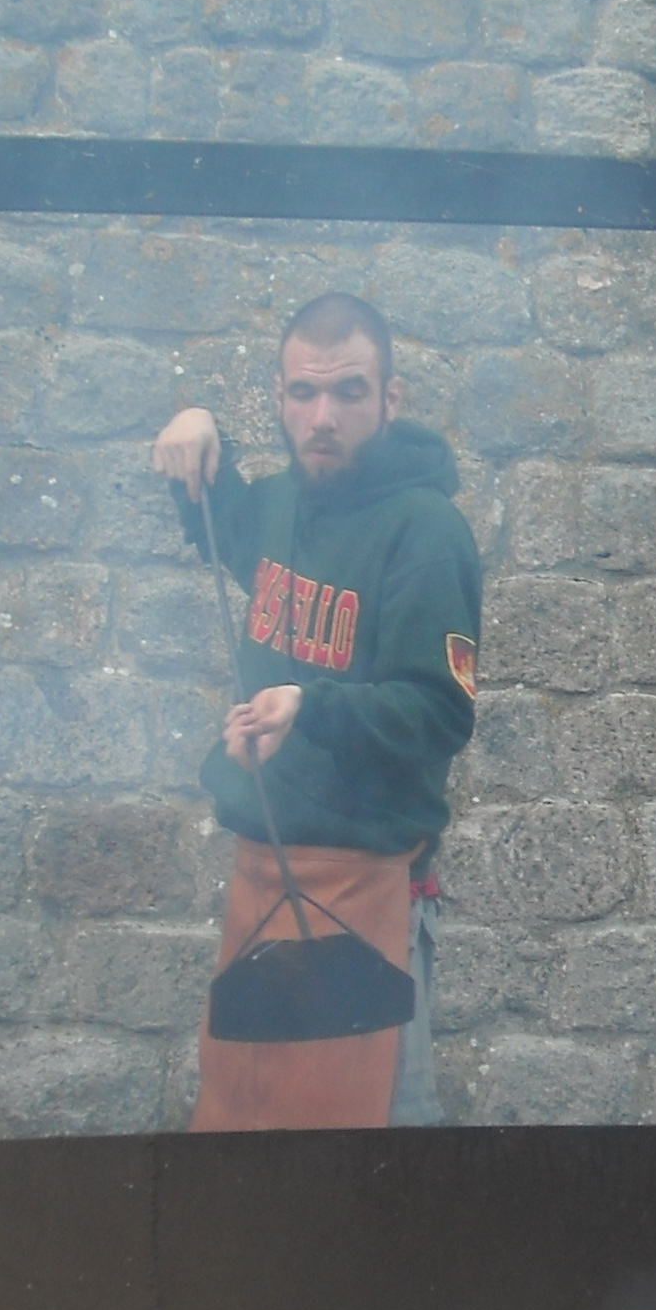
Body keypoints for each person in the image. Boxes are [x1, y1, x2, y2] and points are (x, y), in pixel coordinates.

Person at [151, 293, 482, 1131]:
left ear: (389, 399)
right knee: (246, 1145)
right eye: (303, 392)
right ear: (279, 396)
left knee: (371, 1160)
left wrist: (310, 706)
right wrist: (196, 426)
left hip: (369, 894)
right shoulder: (275, 507)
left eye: (348, 391)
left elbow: (439, 713)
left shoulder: (427, 532)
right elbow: (216, 518)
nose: (323, 416)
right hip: (260, 882)